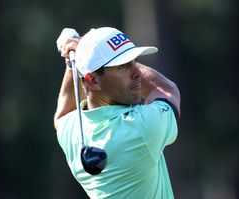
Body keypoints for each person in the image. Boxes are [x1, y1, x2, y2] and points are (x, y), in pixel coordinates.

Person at [54, 27, 181, 198]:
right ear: (92, 80)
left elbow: (62, 116)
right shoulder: (140, 128)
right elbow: (165, 89)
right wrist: (79, 49)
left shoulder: (73, 131)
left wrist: (74, 62)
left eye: (135, 61)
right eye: (123, 66)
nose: (137, 73)